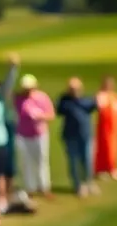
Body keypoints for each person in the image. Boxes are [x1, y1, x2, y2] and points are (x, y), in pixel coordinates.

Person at [13, 70, 55, 199]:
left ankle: (44, 187)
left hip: (39, 134)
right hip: (22, 135)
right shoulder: (18, 98)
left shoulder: (42, 97)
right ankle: (30, 187)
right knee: (26, 162)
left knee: (41, 160)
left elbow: (51, 115)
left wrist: (40, 116)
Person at [56, 78, 97, 196]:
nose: (74, 91)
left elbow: (94, 106)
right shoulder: (65, 101)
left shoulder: (86, 100)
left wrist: (96, 100)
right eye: (71, 89)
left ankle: (89, 182)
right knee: (73, 161)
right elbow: (59, 110)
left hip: (85, 134)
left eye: (76, 89)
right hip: (70, 136)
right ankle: (78, 185)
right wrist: (69, 97)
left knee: (87, 160)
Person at [93, 76, 117, 181]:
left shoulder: (113, 95)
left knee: (112, 148)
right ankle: (101, 170)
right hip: (104, 127)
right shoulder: (101, 95)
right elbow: (101, 106)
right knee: (103, 147)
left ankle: (111, 168)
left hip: (113, 127)